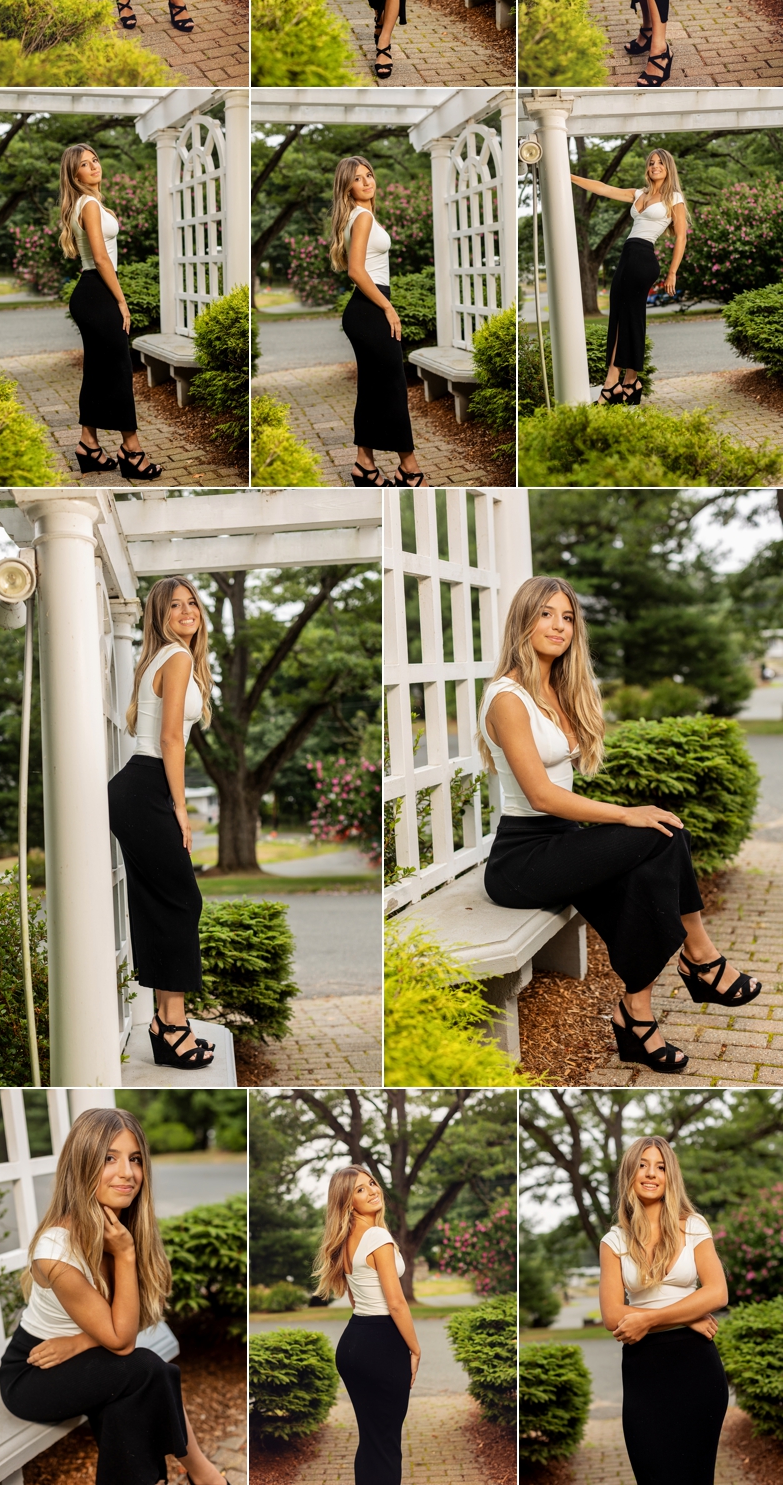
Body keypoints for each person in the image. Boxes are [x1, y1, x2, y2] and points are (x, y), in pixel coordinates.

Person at [479, 575, 761, 1073]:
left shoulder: (556, 688)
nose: (558, 626)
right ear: (523, 619)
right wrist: (628, 814)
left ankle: (637, 1018)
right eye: (545, 613)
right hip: (521, 860)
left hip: (560, 847)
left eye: (567, 617)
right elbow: (542, 796)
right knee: (660, 830)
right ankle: (698, 958)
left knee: (652, 866)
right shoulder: (508, 697)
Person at [0, 1107, 226, 1484]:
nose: (128, 1173)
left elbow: (119, 1334)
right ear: (82, 1165)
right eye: (109, 1158)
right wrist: (124, 1254)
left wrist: (80, 1342)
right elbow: (122, 1342)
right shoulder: (57, 1250)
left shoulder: (120, 1225)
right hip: (33, 1372)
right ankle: (205, 1474)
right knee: (148, 1369)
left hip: (83, 1356)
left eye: (135, 1159)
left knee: (131, 1394)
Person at [108, 578, 215, 1070]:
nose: (187, 610)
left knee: (161, 902)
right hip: (148, 785)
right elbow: (172, 740)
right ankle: (170, 1025)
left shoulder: (167, 658)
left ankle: (169, 1021)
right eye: (175, 605)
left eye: (192, 602)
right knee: (181, 900)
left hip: (140, 785)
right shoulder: (175, 659)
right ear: (158, 615)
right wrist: (181, 809)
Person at [599, 1136, 729, 1484]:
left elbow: (717, 1292)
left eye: (660, 1167)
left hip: (697, 1368)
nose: (651, 1174)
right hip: (645, 1371)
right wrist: (690, 1315)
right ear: (629, 1174)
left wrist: (650, 1318)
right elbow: (613, 1317)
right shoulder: (614, 1241)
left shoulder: (694, 1226)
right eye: (642, 1165)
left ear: (671, 1176)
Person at [59, 142, 162, 479]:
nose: (94, 167)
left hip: (91, 293)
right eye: (85, 165)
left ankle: (88, 445)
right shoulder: (88, 204)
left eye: (95, 160)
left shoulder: (89, 203)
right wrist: (121, 300)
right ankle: (131, 451)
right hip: (98, 293)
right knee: (118, 371)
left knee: (99, 371)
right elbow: (101, 259)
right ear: (74, 175)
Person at [314, 1165, 420, 1484]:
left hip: (354, 1343)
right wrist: (415, 1349)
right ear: (348, 1202)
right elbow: (397, 1303)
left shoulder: (346, 1239)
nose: (372, 1190)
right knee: (386, 1443)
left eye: (372, 1183)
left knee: (372, 1440)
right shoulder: (376, 1236)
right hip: (382, 1344)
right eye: (360, 1189)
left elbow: (356, 1299)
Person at [329, 155, 425, 487]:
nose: (367, 181)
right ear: (347, 186)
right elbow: (356, 270)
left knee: (373, 389)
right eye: (358, 178)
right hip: (370, 309)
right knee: (394, 389)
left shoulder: (359, 215)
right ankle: (409, 469)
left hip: (365, 309)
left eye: (369, 174)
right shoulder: (364, 217)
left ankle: (364, 465)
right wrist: (388, 307)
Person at [570, 148, 689, 406]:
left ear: (668, 167)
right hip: (627, 257)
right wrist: (568, 176)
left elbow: (681, 236)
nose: (654, 166)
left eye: (660, 162)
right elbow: (602, 188)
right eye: (651, 163)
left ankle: (612, 383)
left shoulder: (674, 198)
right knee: (622, 318)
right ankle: (629, 382)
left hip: (644, 259)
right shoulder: (639, 194)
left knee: (627, 319)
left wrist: (672, 272)